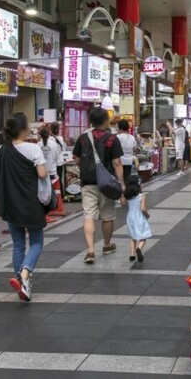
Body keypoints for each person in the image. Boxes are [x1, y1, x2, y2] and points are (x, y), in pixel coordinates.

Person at [0, 114, 48, 302]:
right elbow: (42, 174)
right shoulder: (33, 148)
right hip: (31, 202)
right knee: (37, 241)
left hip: (11, 203)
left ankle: (21, 282)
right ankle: (24, 275)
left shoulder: (1, 149)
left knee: (18, 244)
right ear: (23, 129)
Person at [73, 108, 125, 264]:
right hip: (107, 184)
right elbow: (117, 163)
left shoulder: (83, 138)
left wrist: (85, 166)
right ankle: (107, 245)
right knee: (107, 216)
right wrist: (121, 183)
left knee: (89, 216)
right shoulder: (111, 139)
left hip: (88, 183)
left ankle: (90, 251)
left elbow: (75, 157)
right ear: (106, 121)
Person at [124, 174, 151, 263]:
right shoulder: (142, 196)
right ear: (138, 185)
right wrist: (147, 215)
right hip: (139, 217)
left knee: (132, 237)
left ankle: (132, 255)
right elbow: (143, 209)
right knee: (143, 236)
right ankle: (139, 248)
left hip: (130, 217)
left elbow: (122, 204)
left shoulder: (127, 196)